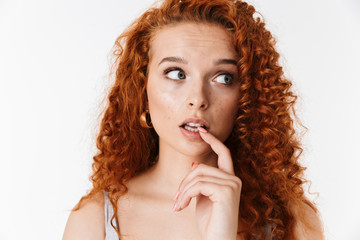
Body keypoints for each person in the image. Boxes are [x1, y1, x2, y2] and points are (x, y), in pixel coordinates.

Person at [63, 0, 324, 239]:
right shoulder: (95, 221)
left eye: (224, 78)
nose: (198, 98)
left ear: (246, 96)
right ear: (142, 89)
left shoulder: (292, 222)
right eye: (176, 73)